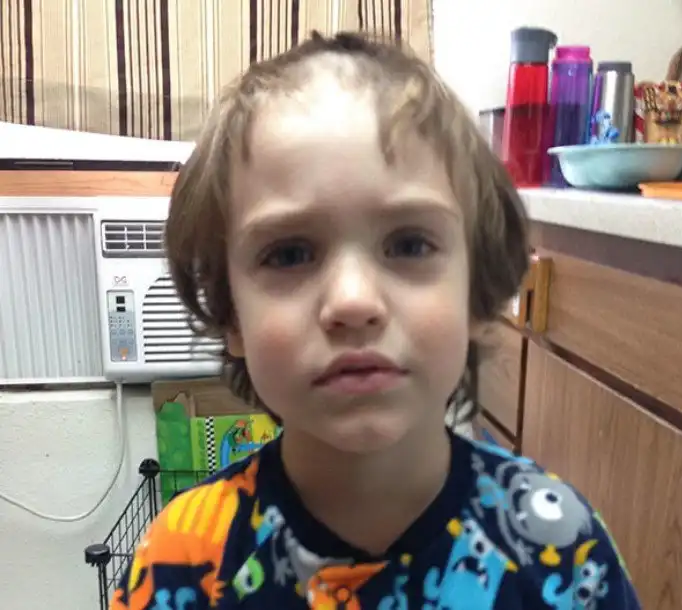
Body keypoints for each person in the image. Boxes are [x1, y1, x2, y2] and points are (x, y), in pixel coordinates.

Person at [111, 31, 640, 609]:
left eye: (409, 244)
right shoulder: (185, 561)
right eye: (289, 254)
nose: (353, 301)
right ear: (230, 311)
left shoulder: (559, 546)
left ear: (476, 292)